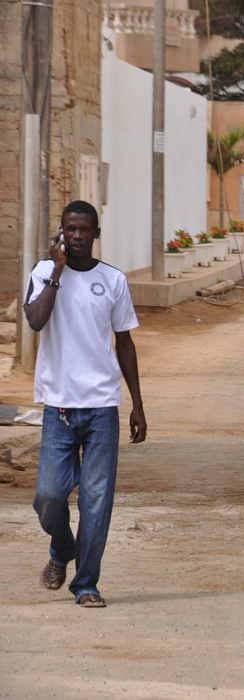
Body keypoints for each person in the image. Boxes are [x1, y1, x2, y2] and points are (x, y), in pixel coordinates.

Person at [24, 200, 147, 609]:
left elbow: (125, 343)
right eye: (69, 229)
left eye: (84, 230)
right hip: (58, 406)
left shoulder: (112, 280)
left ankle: (87, 584)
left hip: (101, 407)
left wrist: (137, 404)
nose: (76, 236)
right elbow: (36, 320)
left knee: (97, 499)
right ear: (61, 232)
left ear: (95, 234)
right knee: (48, 496)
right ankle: (62, 548)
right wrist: (56, 272)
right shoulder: (43, 274)